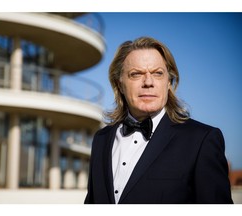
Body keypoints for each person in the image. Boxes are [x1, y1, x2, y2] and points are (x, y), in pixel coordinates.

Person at [84, 36, 233, 204]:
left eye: (158, 73)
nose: (148, 82)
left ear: (169, 82)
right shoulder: (101, 139)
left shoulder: (202, 140)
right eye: (136, 74)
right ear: (119, 84)